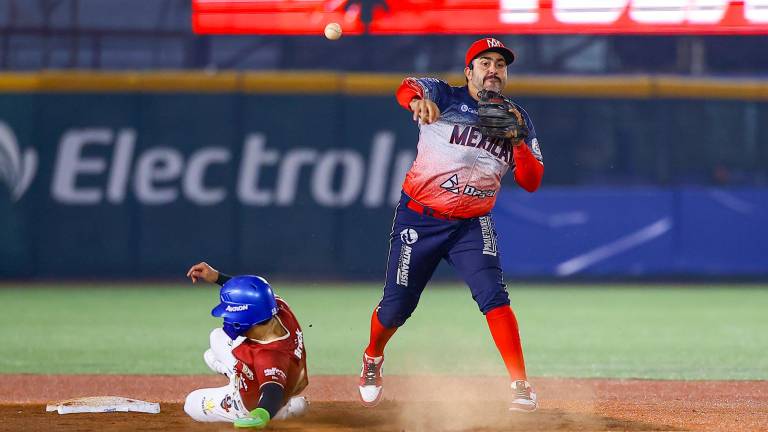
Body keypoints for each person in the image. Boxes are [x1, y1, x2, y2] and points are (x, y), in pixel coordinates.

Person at [357, 37, 544, 412]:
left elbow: (531, 180)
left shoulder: (517, 117)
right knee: (396, 308)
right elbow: (406, 87)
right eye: (485, 62)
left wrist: (519, 141)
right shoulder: (443, 95)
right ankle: (372, 357)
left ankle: (520, 385)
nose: (493, 69)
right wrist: (416, 101)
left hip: (472, 224)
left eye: (500, 64)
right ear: (469, 71)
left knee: (494, 297)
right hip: (420, 218)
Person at [184, 262, 309, 428]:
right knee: (215, 338)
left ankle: (284, 412)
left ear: (243, 319)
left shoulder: (269, 356)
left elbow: (272, 392)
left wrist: (259, 415)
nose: (226, 318)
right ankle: (238, 374)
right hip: (288, 374)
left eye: (228, 313)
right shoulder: (279, 308)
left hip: (252, 403)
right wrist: (216, 277)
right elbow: (254, 294)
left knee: (191, 402)